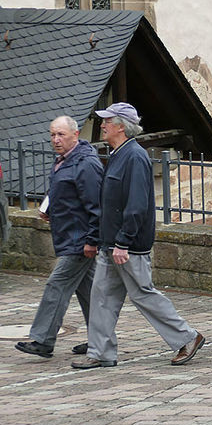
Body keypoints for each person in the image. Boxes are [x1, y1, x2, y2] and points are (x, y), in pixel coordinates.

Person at [72, 103, 204, 369]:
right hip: (111, 245)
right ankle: (101, 353)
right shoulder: (118, 154)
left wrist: (123, 242)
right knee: (101, 297)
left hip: (127, 246)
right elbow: (110, 205)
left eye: (106, 121)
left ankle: (188, 338)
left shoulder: (134, 157)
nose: (102, 125)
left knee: (143, 294)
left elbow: (136, 206)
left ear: (120, 126)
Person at [15, 116, 102, 359]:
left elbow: (96, 206)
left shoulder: (85, 163)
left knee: (57, 285)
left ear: (75, 135)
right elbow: (62, 191)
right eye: (52, 135)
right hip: (69, 236)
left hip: (80, 240)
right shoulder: (64, 160)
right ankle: (101, 338)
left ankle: (43, 340)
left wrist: (92, 240)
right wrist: (49, 208)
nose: (56, 140)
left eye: (61, 135)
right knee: (89, 291)